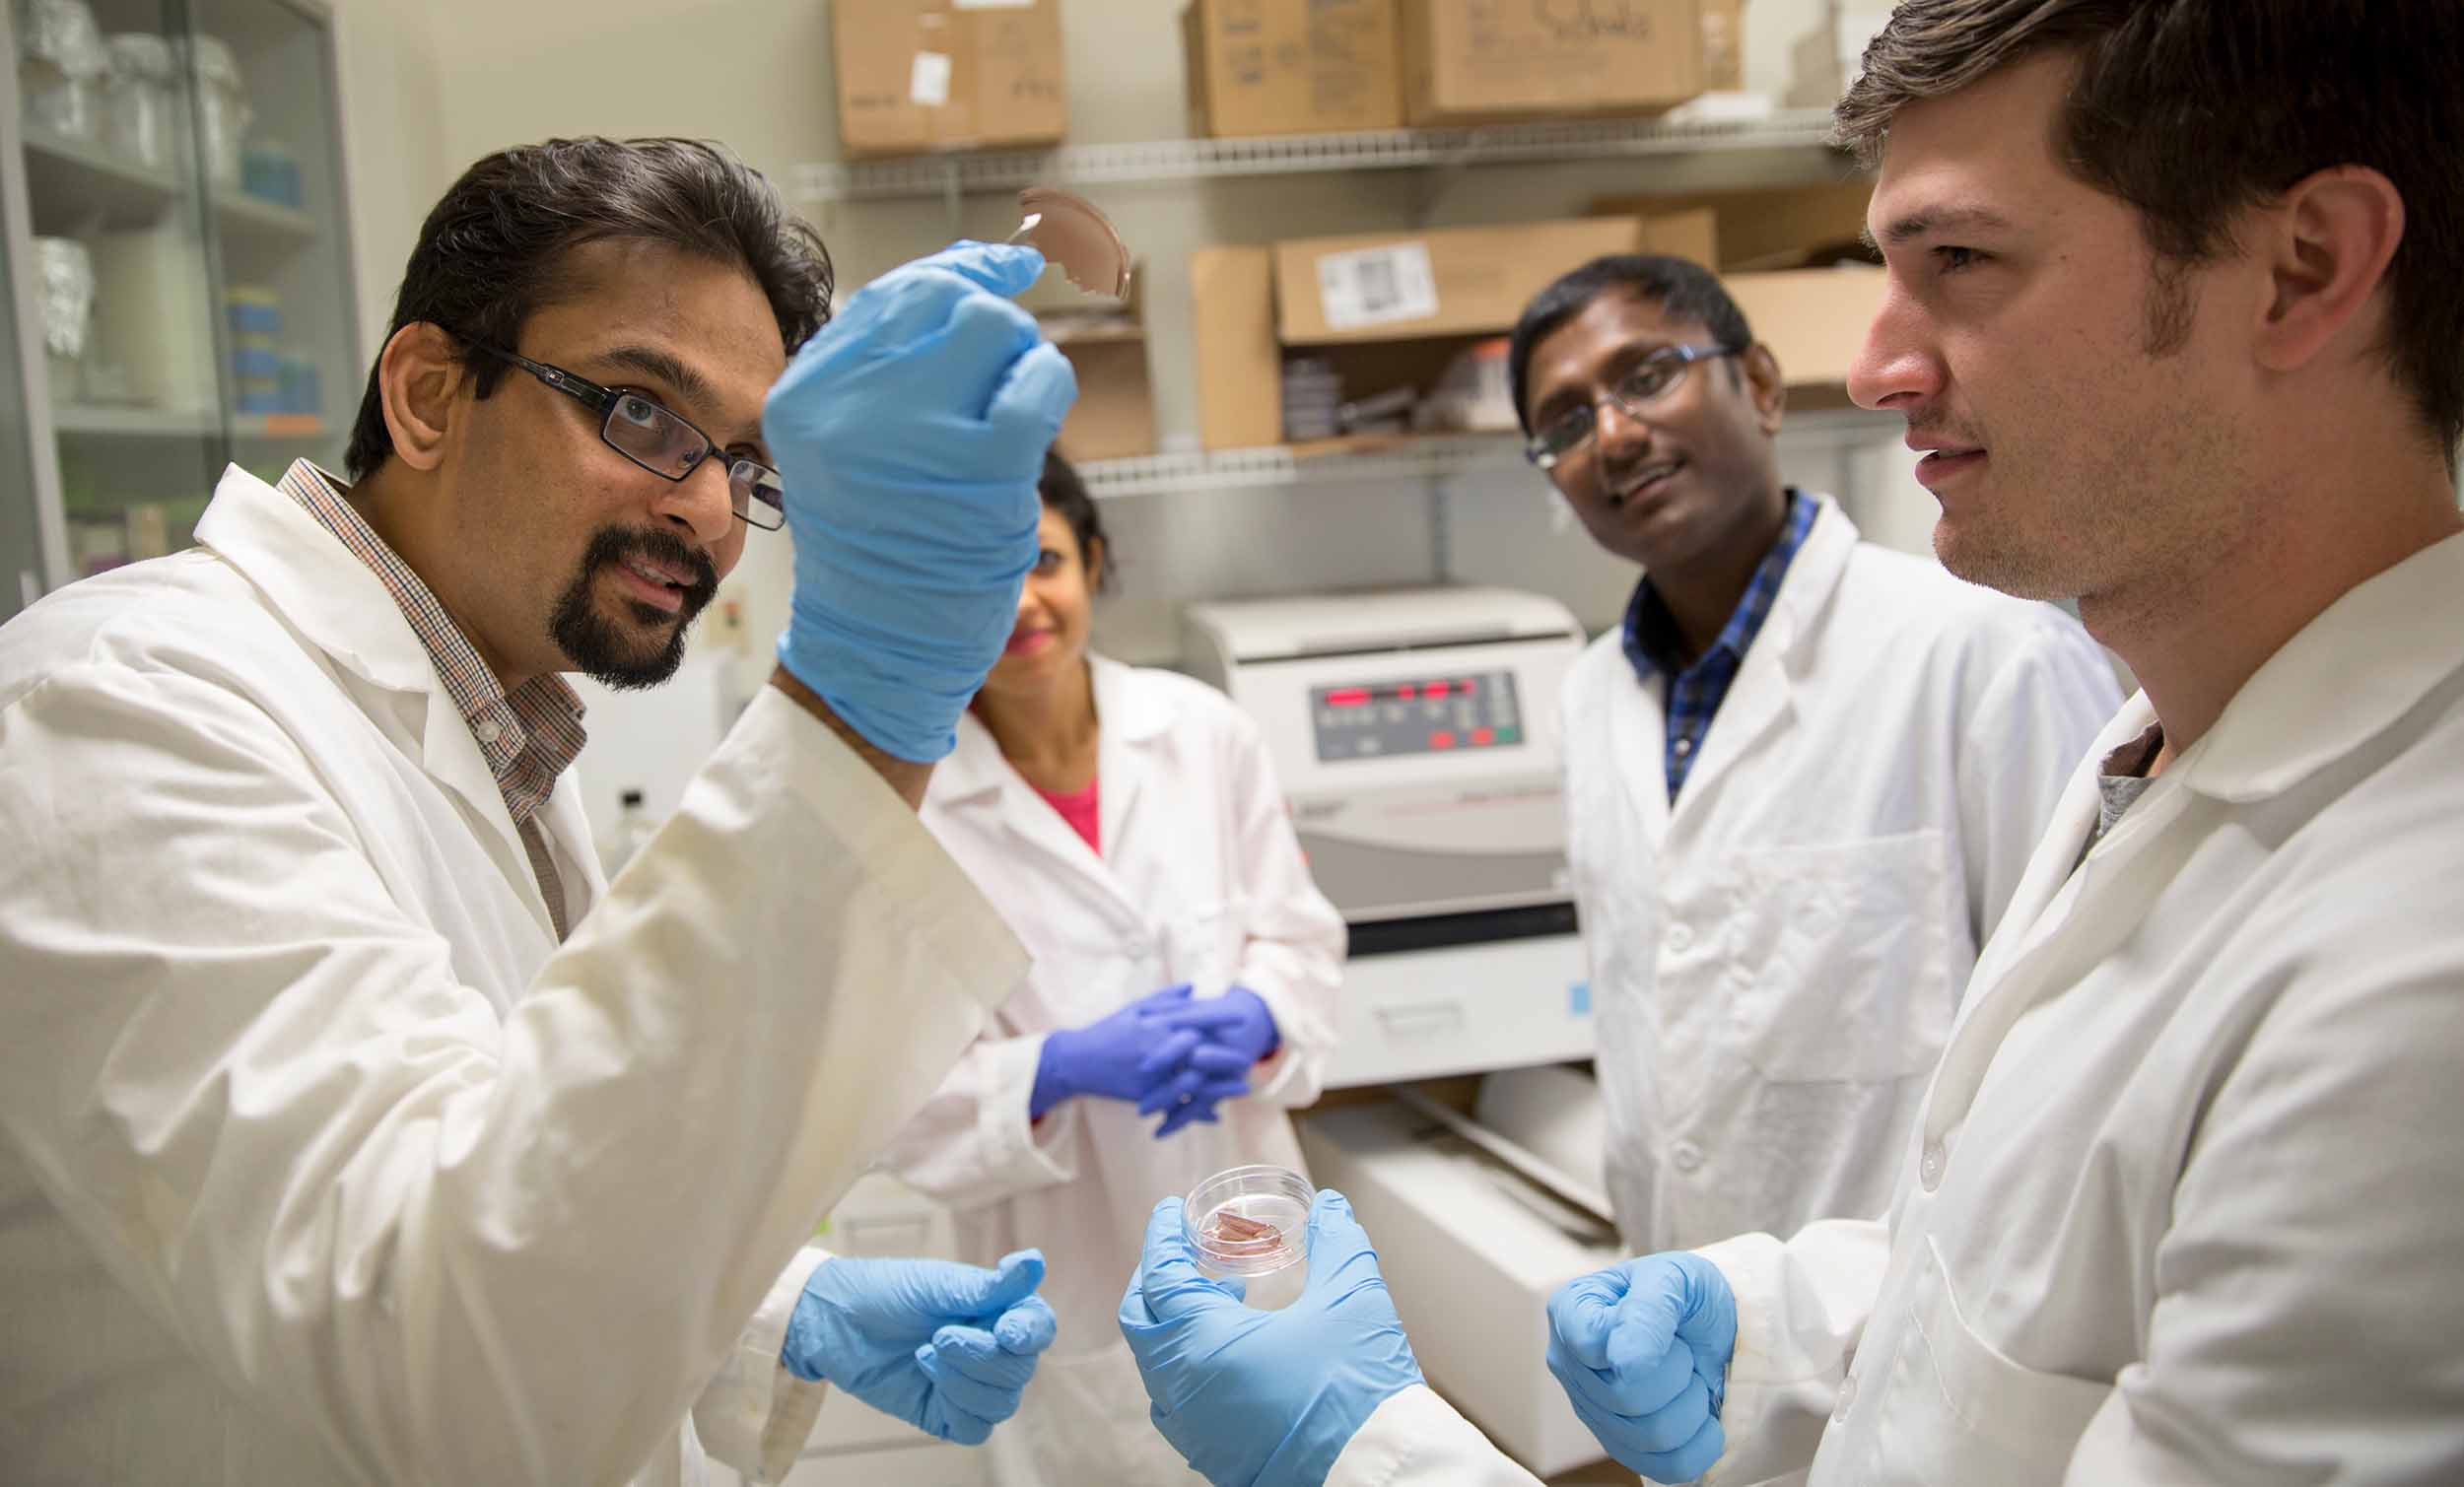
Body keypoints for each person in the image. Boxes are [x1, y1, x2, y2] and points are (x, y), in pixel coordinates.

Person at [1118, 2, 2464, 1483]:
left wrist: (1368, 1448)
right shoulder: (2155, 761)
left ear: (2304, 266)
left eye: (1960, 261)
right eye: (1563, 418)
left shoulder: (2409, 983)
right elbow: (2016, 1248)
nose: (1879, 363)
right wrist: (1771, 1315)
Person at [0, 138, 1083, 1485]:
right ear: (430, 395)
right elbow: (419, 1343)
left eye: (747, 466)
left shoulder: (501, 723)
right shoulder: (123, 710)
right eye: (642, 412)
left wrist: (768, 1311)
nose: (702, 509)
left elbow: (490, 1148)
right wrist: (864, 698)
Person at [1510, 252, 2117, 1254]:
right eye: (1564, 424)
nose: (1612, 435)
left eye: (1647, 376)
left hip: (1911, 1329)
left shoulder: (1984, 653)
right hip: (1681, 1323)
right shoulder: (1591, 698)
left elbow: (2082, 1043)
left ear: (1755, 384)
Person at [880, 449, 1346, 1486]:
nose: (1018, 601)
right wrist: (1054, 1071)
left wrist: (1261, 1016)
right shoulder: (911, 807)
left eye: (1040, 560)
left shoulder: (1203, 733)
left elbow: (1300, 941)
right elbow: (889, 1096)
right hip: (1067, 1277)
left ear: (1092, 562)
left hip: (1252, 1243)